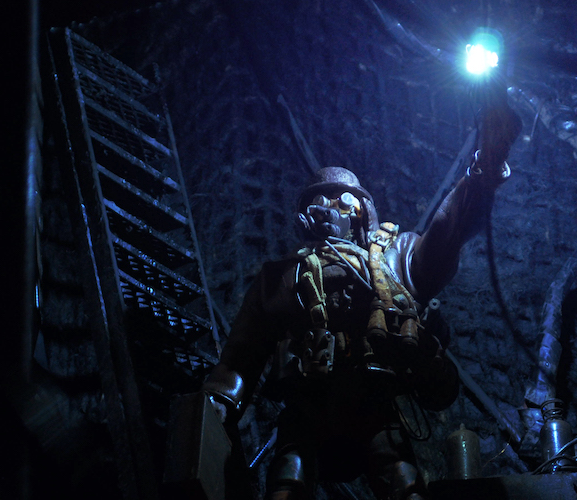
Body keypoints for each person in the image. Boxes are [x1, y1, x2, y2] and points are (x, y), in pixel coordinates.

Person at [202, 89, 521, 500]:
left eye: (342, 199)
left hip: (375, 408)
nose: (329, 207)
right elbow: (240, 358)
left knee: (405, 489)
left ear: (362, 212)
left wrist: (483, 170)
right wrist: (218, 403)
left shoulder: (397, 256)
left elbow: (449, 228)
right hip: (307, 408)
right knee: (286, 487)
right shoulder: (280, 278)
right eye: (320, 200)